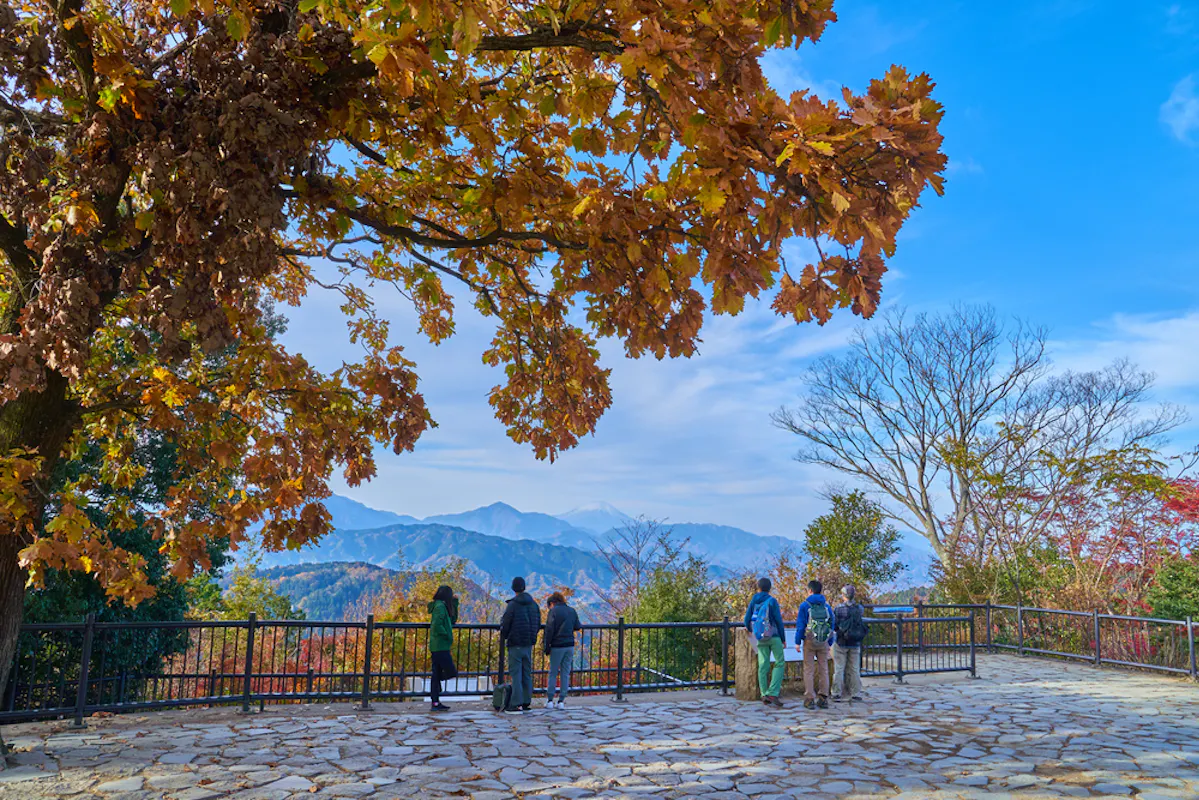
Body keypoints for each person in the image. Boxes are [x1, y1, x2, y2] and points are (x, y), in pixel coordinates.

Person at [744, 577, 787, 707]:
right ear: (769, 589)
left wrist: (751, 629)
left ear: (758, 587)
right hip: (774, 636)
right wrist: (783, 639)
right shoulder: (772, 601)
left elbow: (747, 619)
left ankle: (764, 694)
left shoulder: (754, 601)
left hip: (760, 637)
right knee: (779, 662)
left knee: (763, 665)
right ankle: (773, 692)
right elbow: (778, 621)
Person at [499, 576, 540, 712]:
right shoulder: (534, 604)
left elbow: (506, 623)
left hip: (515, 643)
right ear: (524, 587)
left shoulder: (513, 605)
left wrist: (505, 635)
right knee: (527, 673)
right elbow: (537, 623)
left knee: (516, 673)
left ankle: (516, 702)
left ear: (513, 588)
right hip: (528, 643)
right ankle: (527, 700)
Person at [794, 579, 835, 710]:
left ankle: (809, 698)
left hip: (809, 640)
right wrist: (829, 642)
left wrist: (797, 642)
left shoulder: (805, 605)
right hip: (823, 641)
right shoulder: (826, 606)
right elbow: (832, 624)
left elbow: (800, 625)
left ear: (810, 590)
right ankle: (823, 698)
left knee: (809, 669)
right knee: (824, 669)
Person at [543, 592, 581, 709]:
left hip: (557, 645)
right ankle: (561, 701)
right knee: (565, 673)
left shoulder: (553, 612)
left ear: (552, 603)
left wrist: (547, 647)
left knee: (553, 672)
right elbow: (578, 626)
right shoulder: (572, 611)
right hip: (569, 645)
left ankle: (550, 700)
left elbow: (549, 630)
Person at [832, 584, 868, 702]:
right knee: (854, 668)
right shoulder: (860, 608)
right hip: (855, 642)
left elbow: (835, 625)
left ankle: (836, 693)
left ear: (843, 595)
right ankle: (856, 693)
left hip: (841, 642)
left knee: (839, 668)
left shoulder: (838, 608)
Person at [427, 585, 459, 712]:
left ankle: (435, 701)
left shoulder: (441, 606)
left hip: (438, 646)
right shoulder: (440, 607)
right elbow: (436, 625)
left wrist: (455, 604)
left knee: (437, 673)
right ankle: (435, 690)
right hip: (440, 646)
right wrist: (447, 635)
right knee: (450, 671)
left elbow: (452, 620)